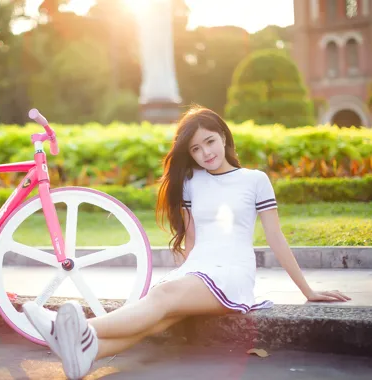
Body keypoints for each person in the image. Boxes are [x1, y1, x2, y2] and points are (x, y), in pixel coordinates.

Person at [22, 106, 351, 379]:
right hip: (200, 269)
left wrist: (307, 290)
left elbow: (276, 238)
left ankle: (72, 328)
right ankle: (89, 350)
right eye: (195, 148)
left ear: (223, 135)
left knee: (163, 297)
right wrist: (186, 271)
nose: (205, 152)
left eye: (209, 141)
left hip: (232, 274)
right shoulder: (192, 182)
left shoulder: (254, 180)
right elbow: (193, 240)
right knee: (162, 312)